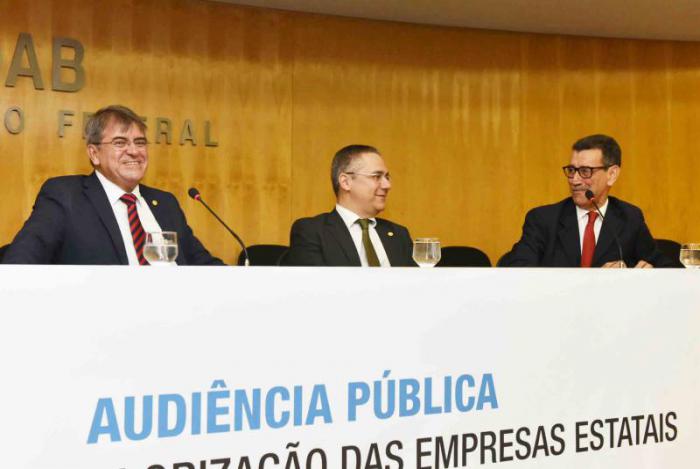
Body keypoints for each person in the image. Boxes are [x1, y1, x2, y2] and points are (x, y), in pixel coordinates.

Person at [3, 105, 223, 265]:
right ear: (94, 153)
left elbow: (202, 265)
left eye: (140, 143)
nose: (134, 151)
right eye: (120, 142)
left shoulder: (166, 203)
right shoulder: (65, 196)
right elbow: (20, 261)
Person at [502, 134, 672, 268]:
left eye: (585, 171)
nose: (574, 180)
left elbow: (665, 267)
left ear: (612, 174)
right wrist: (595, 280)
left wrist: (641, 272)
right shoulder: (543, 219)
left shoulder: (629, 218)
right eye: (571, 170)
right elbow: (518, 268)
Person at [283, 144, 415, 266]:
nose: (387, 185)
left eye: (387, 177)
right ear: (346, 182)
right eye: (376, 176)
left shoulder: (399, 234)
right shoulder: (312, 232)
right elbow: (313, 282)